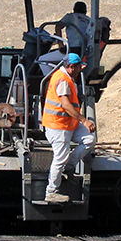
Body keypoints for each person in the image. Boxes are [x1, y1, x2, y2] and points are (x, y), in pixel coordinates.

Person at [41, 52, 95, 204]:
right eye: (78, 67)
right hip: (58, 125)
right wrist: (84, 120)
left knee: (89, 139)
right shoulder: (62, 79)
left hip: (69, 124)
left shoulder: (68, 77)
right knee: (60, 157)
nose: (80, 70)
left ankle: (68, 167)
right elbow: (65, 105)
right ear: (71, 67)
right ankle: (51, 192)